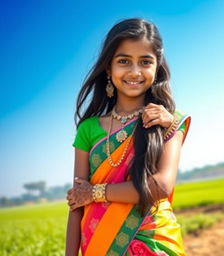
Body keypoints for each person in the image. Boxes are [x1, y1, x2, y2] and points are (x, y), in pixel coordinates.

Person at [65, 18, 191, 256]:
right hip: (99, 245)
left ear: (157, 67)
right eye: (124, 61)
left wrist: (94, 192)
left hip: (155, 244)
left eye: (145, 61)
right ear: (108, 69)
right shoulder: (88, 129)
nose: (135, 72)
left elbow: (161, 186)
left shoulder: (170, 120)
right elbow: (77, 204)